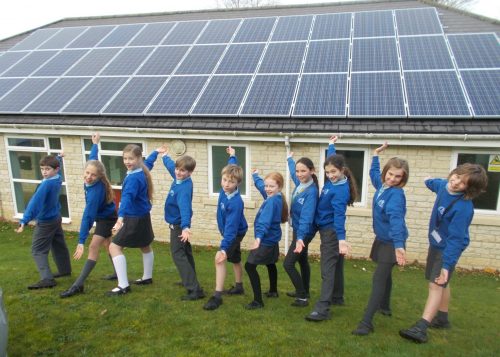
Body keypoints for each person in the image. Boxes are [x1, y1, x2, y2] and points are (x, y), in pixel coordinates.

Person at [399, 163, 488, 343]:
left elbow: (456, 240)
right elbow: (435, 183)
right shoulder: (444, 186)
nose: (455, 183)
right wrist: (426, 180)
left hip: (448, 247)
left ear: (469, 189)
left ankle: (421, 327)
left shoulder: (463, 208)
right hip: (437, 242)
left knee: (436, 284)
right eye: (456, 176)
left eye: (462, 183)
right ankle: (442, 318)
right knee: (442, 283)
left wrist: (447, 265)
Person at [352, 142, 409, 335]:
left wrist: (399, 246)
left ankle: (366, 323)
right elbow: (374, 175)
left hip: (392, 241)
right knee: (386, 274)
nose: (392, 179)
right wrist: (376, 155)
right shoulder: (383, 186)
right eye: (390, 174)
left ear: (403, 178)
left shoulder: (395, 195)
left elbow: (396, 220)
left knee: (379, 279)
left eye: (397, 176)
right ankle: (385, 306)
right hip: (382, 238)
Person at [306, 136, 358, 321]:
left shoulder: (340, 190)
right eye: (327, 172)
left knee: (327, 269)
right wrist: (331, 145)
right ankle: (337, 297)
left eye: (333, 172)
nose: (330, 175)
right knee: (337, 266)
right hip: (324, 227)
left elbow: (339, 217)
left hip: (332, 232)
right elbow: (332, 159)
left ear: (342, 170)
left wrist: (341, 240)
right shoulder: (333, 181)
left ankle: (323, 308)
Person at [60, 133, 118, 298]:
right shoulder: (93, 175)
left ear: (99, 176)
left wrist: (81, 241)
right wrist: (95, 144)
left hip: (106, 218)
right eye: (87, 173)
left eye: (92, 175)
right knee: (109, 246)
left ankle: (78, 285)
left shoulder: (95, 193)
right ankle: (118, 274)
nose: (88, 177)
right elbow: (93, 159)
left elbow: (88, 216)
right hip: (104, 215)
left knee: (94, 247)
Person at [107, 144, 161, 296]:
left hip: (133, 218)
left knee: (114, 247)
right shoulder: (141, 171)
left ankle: (123, 285)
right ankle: (147, 277)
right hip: (143, 216)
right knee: (145, 245)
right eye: (125, 158)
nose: (127, 161)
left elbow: (126, 199)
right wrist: (156, 153)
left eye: (131, 158)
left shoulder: (133, 178)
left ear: (138, 159)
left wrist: (120, 219)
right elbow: (148, 163)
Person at [15, 153, 71, 289]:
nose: (44, 172)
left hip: (46, 221)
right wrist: (59, 157)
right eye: (42, 169)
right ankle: (64, 270)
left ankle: (47, 279)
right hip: (56, 217)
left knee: (37, 250)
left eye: (47, 169)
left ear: (56, 169)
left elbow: (35, 203)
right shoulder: (58, 178)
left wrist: (24, 220)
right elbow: (56, 165)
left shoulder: (46, 185)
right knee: (58, 244)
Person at [203, 146, 248, 310]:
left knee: (219, 259)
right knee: (235, 258)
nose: (227, 184)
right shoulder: (225, 190)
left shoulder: (235, 203)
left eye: (231, 182)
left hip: (235, 233)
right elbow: (231, 168)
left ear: (238, 183)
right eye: (224, 180)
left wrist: (223, 248)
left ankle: (217, 296)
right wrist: (233, 156)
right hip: (233, 231)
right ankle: (239, 286)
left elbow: (231, 229)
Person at [162, 150, 204, 301]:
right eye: (177, 169)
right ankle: (191, 280)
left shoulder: (184, 189)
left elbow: (185, 209)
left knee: (177, 255)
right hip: (179, 225)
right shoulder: (179, 179)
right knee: (185, 253)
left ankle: (194, 289)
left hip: (179, 226)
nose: (178, 172)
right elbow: (170, 167)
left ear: (190, 173)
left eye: (182, 171)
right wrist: (164, 156)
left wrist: (186, 227)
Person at [245, 171, 288, 309]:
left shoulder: (271, 202)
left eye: (271, 186)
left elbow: (264, 222)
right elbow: (261, 186)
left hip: (265, 240)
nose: (267, 189)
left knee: (249, 266)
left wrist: (258, 239)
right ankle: (273, 291)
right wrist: (256, 177)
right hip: (273, 239)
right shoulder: (276, 197)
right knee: (270, 263)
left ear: (279, 187)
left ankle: (258, 301)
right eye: (266, 186)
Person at [283, 151, 319, 307]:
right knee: (303, 261)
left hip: (303, 231)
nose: (299, 174)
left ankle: (302, 296)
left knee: (288, 264)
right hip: (298, 229)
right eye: (298, 171)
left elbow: (306, 218)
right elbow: (292, 173)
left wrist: (300, 238)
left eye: (303, 171)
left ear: (312, 171)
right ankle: (305, 291)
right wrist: (290, 159)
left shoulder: (311, 192)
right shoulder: (300, 184)